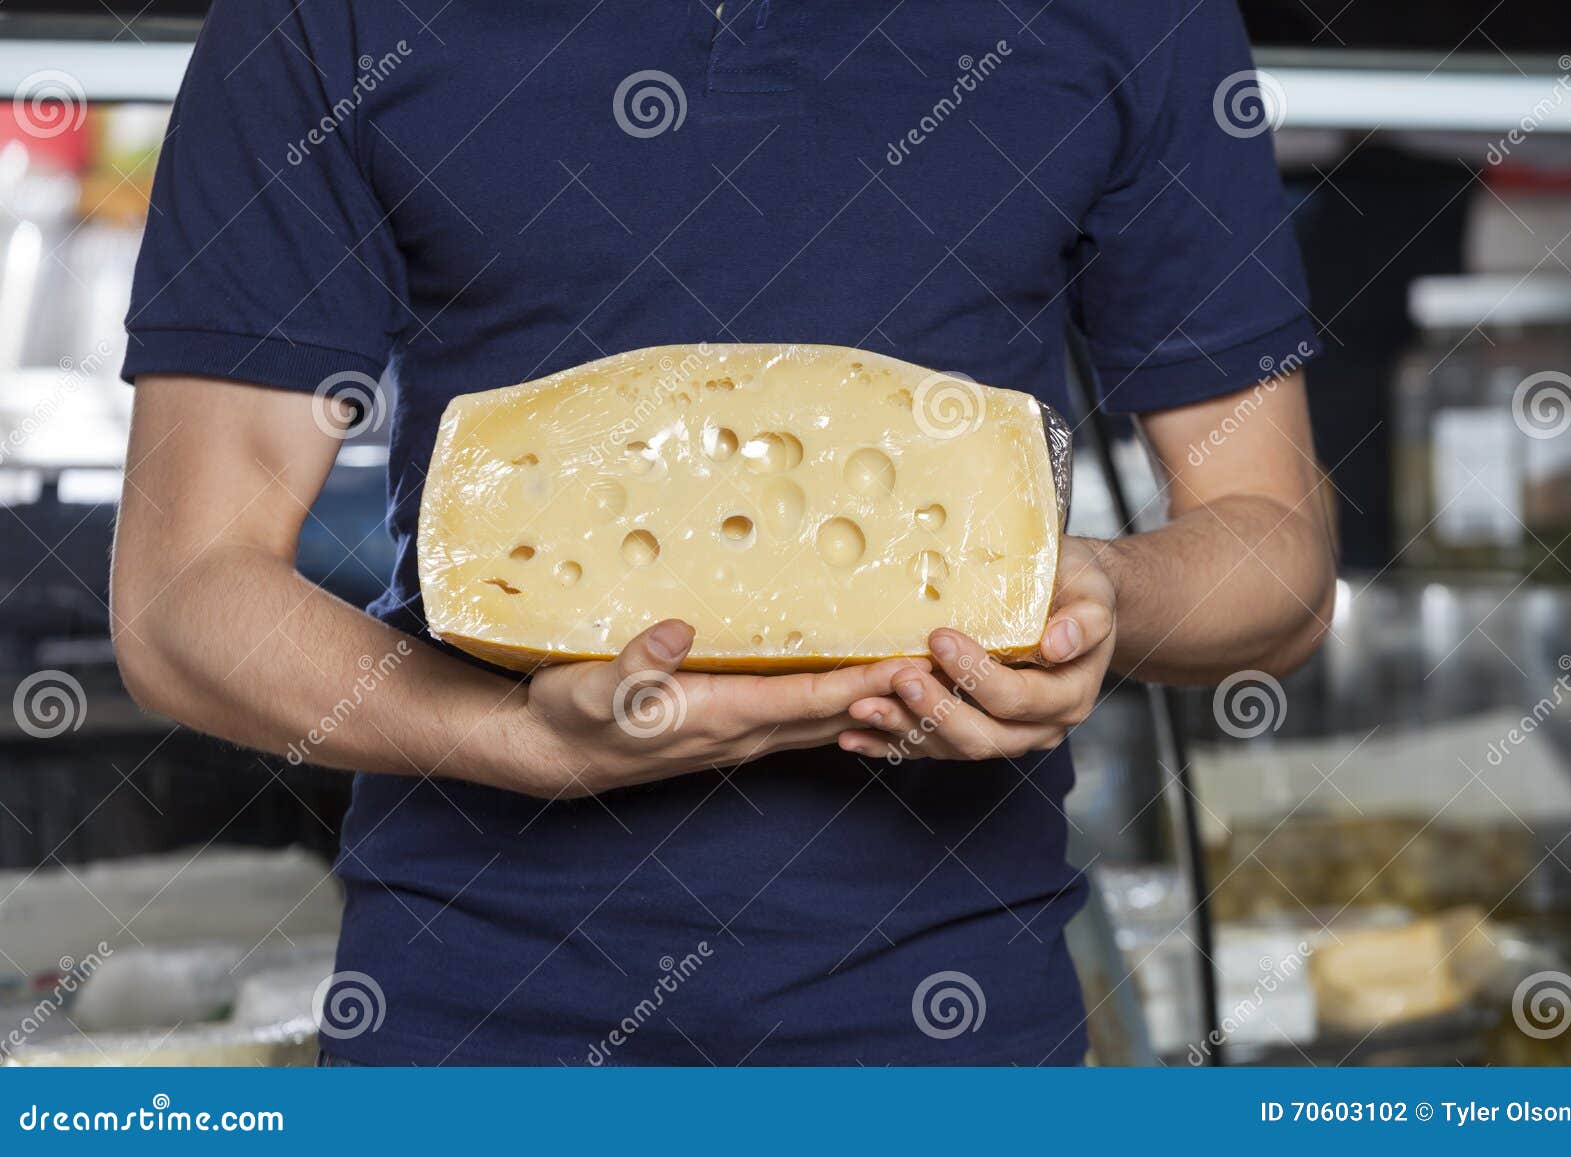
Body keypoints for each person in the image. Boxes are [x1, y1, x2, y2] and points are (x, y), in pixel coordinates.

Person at [111, 0, 1335, 1065]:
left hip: (953, 1037)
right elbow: (183, 596)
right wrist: (506, 737)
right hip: (469, 1032)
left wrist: (1099, 597)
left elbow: (1274, 552)